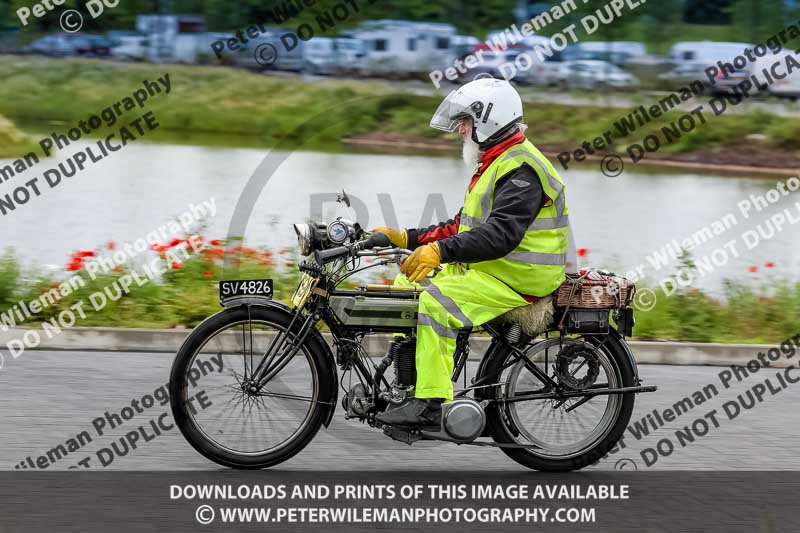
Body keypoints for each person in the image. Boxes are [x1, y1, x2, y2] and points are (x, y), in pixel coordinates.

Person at [372, 78, 571, 428]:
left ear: (489, 119)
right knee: (407, 289)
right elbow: (465, 226)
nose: (460, 129)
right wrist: (407, 237)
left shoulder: (522, 169)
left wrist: (439, 252)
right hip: (491, 270)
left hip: (517, 277)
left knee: (437, 305)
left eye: (465, 120)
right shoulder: (497, 161)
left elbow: (500, 235)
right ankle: (407, 384)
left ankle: (430, 404)